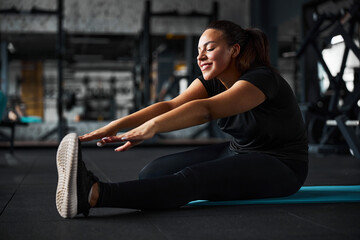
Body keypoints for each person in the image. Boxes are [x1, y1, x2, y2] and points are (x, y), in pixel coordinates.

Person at [55, 20, 308, 219]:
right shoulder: (213, 81)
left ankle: (93, 194)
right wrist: (114, 126)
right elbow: (171, 105)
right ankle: (100, 192)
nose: (200, 57)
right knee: (152, 173)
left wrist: (152, 128)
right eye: (199, 51)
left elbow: (206, 110)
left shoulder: (261, 79)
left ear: (234, 50)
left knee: (192, 178)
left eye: (210, 48)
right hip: (240, 152)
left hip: (281, 166)